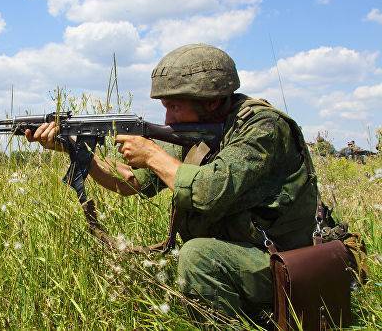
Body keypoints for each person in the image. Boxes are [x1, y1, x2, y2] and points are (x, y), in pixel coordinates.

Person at [25, 44, 318, 321]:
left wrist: (152, 153)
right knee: (166, 267)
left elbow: (207, 191)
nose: (168, 118)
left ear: (212, 101)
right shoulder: (203, 135)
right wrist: (79, 153)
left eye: (174, 107)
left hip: (285, 262)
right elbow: (132, 183)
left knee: (196, 257)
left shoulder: (264, 128)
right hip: (244, 255)